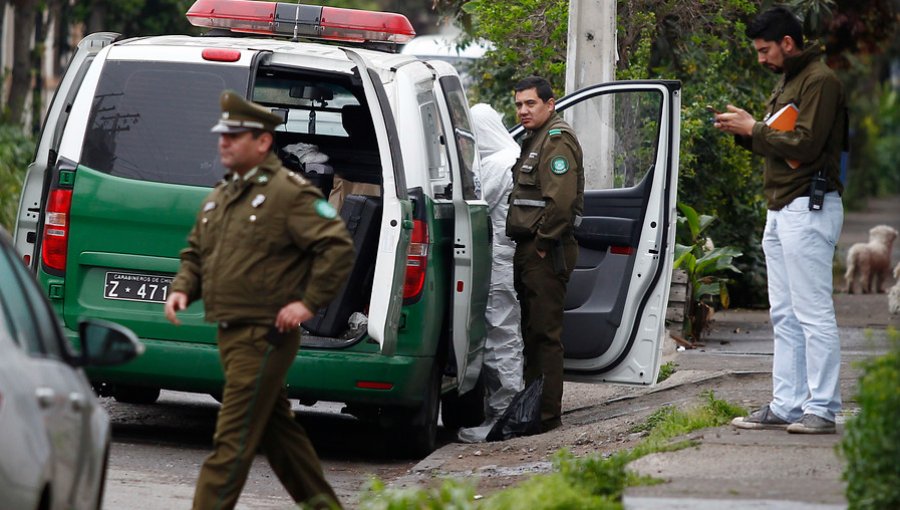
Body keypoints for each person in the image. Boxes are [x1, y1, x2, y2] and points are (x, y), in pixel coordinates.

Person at [164, 90, 354, 509]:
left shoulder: (289, 193)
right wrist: (182, 288)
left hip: (265, 334)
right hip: (231, 331)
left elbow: (337, 246)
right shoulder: (223, 195)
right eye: (222, 135)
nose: (224, 142)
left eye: (235, 135)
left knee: (230, 443)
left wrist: (307, 302)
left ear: (263, 142)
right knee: (277, 432)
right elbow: (196, 252)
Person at [716, 6, 846, 434]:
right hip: (783, 208)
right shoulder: (792, 80)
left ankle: (822, 408)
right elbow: (781, 145)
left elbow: (805, 146)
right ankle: (787, 404)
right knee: (785, 315)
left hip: (810, 206)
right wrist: (746, 133)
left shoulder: (820, 81)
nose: (761, 58)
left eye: (765, 50)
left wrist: (754, 128)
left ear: (788, 43)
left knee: (812, 313)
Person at [506, 76, 584, 433]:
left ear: (550, 104)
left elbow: (561, 204)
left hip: (545, 252)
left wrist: (540, 244)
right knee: (532, 333)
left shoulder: (556, 140)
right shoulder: (535, 138)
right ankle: (532, 408)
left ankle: (546, 417)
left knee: (545, 336)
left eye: (530, 104)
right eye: (519, 104)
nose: (523, 110)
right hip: (531, 251)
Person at [457, 103, 525, 443]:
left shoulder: (497, 164)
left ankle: (504, 418)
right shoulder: (513, 154)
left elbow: (474, 204)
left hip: (500, 261)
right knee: (505, 332)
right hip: (505, 258)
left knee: (501, 335)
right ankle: (501, 413)